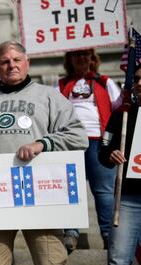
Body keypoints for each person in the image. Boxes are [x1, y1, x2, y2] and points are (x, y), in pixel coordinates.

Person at [0, 41, 88, 265]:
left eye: (16, 60)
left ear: (28, 63)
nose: (11, 65)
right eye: (4, 61)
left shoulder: (49, 97)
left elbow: (79, 137)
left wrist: (42, 144)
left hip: (42, 195)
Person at [56, 49, 122, 252]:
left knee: (104, 191)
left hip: (99, 141)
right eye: (76, 55)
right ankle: (71, 233)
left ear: (93, 59)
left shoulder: (105, 82)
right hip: (69, 142)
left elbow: (119, 108)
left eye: (86, 54)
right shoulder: (60, 84)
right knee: (69, 190)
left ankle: (109, 235)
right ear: (69, 60)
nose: (81, 58)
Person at [99, 64, 141, 265]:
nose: (140, 83)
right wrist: (111, 153)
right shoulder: (120, 116)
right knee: (117, 264)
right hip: (127, 200)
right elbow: (103, 149)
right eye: (137, 79)